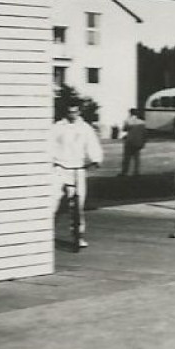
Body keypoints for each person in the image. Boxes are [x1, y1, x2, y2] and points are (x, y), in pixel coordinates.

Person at [50, 102, 104, 249]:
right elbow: (49, 144)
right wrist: (51, 160)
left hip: (78, 169)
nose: (72, 114)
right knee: (52, 202)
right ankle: (46, 234)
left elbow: (92, 144)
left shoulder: (85, 128)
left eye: (75, 112)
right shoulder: (58, 127)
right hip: (60, 168)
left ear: (79, 112)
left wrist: (96, 159)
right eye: (69, 111)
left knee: (77, 206)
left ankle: (78, 236)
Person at [119, 109, 146, 177]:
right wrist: (143, 142)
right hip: (138, 142)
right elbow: (144, 133)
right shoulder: (142, 122)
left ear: (130, 113)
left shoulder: (128, 121)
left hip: (129, 141)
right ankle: (136, 172)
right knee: (136, 158)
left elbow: (124, 129)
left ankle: (124, 172)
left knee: (126, 158)